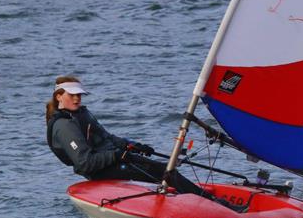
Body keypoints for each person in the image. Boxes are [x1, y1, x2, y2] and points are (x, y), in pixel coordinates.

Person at [45, 75, 233, 207]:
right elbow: (84, 163)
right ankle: (212, 203)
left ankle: (200, 198)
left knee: (165, 168)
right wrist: (118, 155)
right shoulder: (64, 126)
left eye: (79, 94)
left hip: (114, 160)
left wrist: (129, 145)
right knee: (166, 173)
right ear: (59, 96)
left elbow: (106, 138)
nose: (77, 98)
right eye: (72, 95)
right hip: (102, 170)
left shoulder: (81, 114)